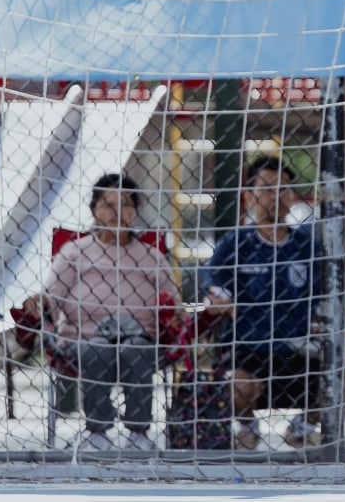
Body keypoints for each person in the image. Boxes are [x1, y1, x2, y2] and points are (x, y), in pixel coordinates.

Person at [21, 173, 178, 452]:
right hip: (85, 336)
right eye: (108, 204)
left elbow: (172, 303)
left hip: (140, 336)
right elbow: (52, 297)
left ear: (136, 210)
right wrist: (40, 303)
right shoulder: (74, 252)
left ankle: (138, 433)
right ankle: (98, 432)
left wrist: (171, 313)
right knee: (98, 350)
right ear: (93, 209)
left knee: (136, 350)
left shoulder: (151, 256)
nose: (118, 211)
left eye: (126, 204)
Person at [204, 155, 325, 450]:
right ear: (249, 196)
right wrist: (218, 300)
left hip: (298, 351)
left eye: (283, 189)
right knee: (236, 387)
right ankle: (247, 428)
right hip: (248, 351)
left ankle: (301, 430)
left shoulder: (307, 247)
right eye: (268, 188)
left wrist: (319, 322)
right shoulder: (234, 245)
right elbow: (213, 287)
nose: (276, 197)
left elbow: (323, 301)